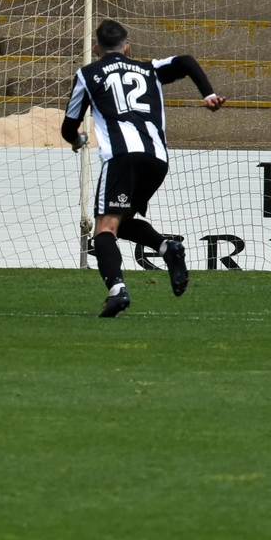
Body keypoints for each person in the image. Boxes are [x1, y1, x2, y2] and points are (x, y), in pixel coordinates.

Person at [60, 19, 225, 318]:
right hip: (157, 159)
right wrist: (208, 95)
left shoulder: (87, 74)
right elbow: (186, 61)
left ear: (96, 48)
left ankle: (117, 290)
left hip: (122, 157)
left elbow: (68, 126)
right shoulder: (149, 68)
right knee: (121, 224)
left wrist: (78, 139)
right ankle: (166, 248)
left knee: (104, 229)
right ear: (127, 46)